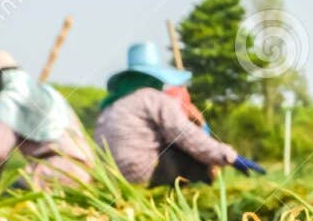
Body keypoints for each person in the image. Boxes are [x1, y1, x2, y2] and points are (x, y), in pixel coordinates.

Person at [94, 42, 265, 188]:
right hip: (142, 173)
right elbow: (185, 135)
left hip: (112, 178)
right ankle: (190, 196)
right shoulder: (152, 98)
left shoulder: (112, 106)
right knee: (194, 155)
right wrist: (230, 157)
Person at [0, 50, 93, 191]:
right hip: (84, 172)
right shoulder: (50, 92)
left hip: (53, 172)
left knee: (6, 201)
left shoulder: (11, 96)